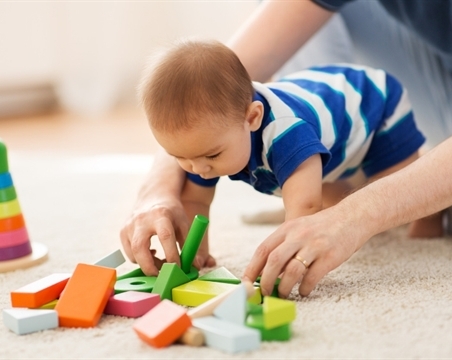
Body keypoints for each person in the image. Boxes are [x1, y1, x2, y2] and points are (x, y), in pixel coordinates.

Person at [121, 0, 452, 298]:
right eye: (181, 158)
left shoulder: (286, 136)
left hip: (375, 106)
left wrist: (289, 260)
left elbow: (305, 212)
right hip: (352, 110)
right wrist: (191, 254)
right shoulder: (206, 147)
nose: (198, 169)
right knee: (336, 195)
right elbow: (195, 199)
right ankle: (349, 189)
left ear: (252, 118)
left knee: (389, 186)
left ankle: (430, 221)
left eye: (210, 157)